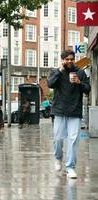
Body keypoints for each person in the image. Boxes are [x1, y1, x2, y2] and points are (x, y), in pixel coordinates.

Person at [47, 49, 91, 179]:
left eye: (72, 59)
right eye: (67, 59)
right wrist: (60, 71)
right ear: (63, 60)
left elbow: (87, 89)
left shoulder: (80, 72)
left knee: (73, 140)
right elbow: (50, 84)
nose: (70, 61)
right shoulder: (57, 72)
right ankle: (58, 158)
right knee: (58, 139)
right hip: (59, 111)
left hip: (74, 111)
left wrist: (79, 82)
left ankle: (70, 167)